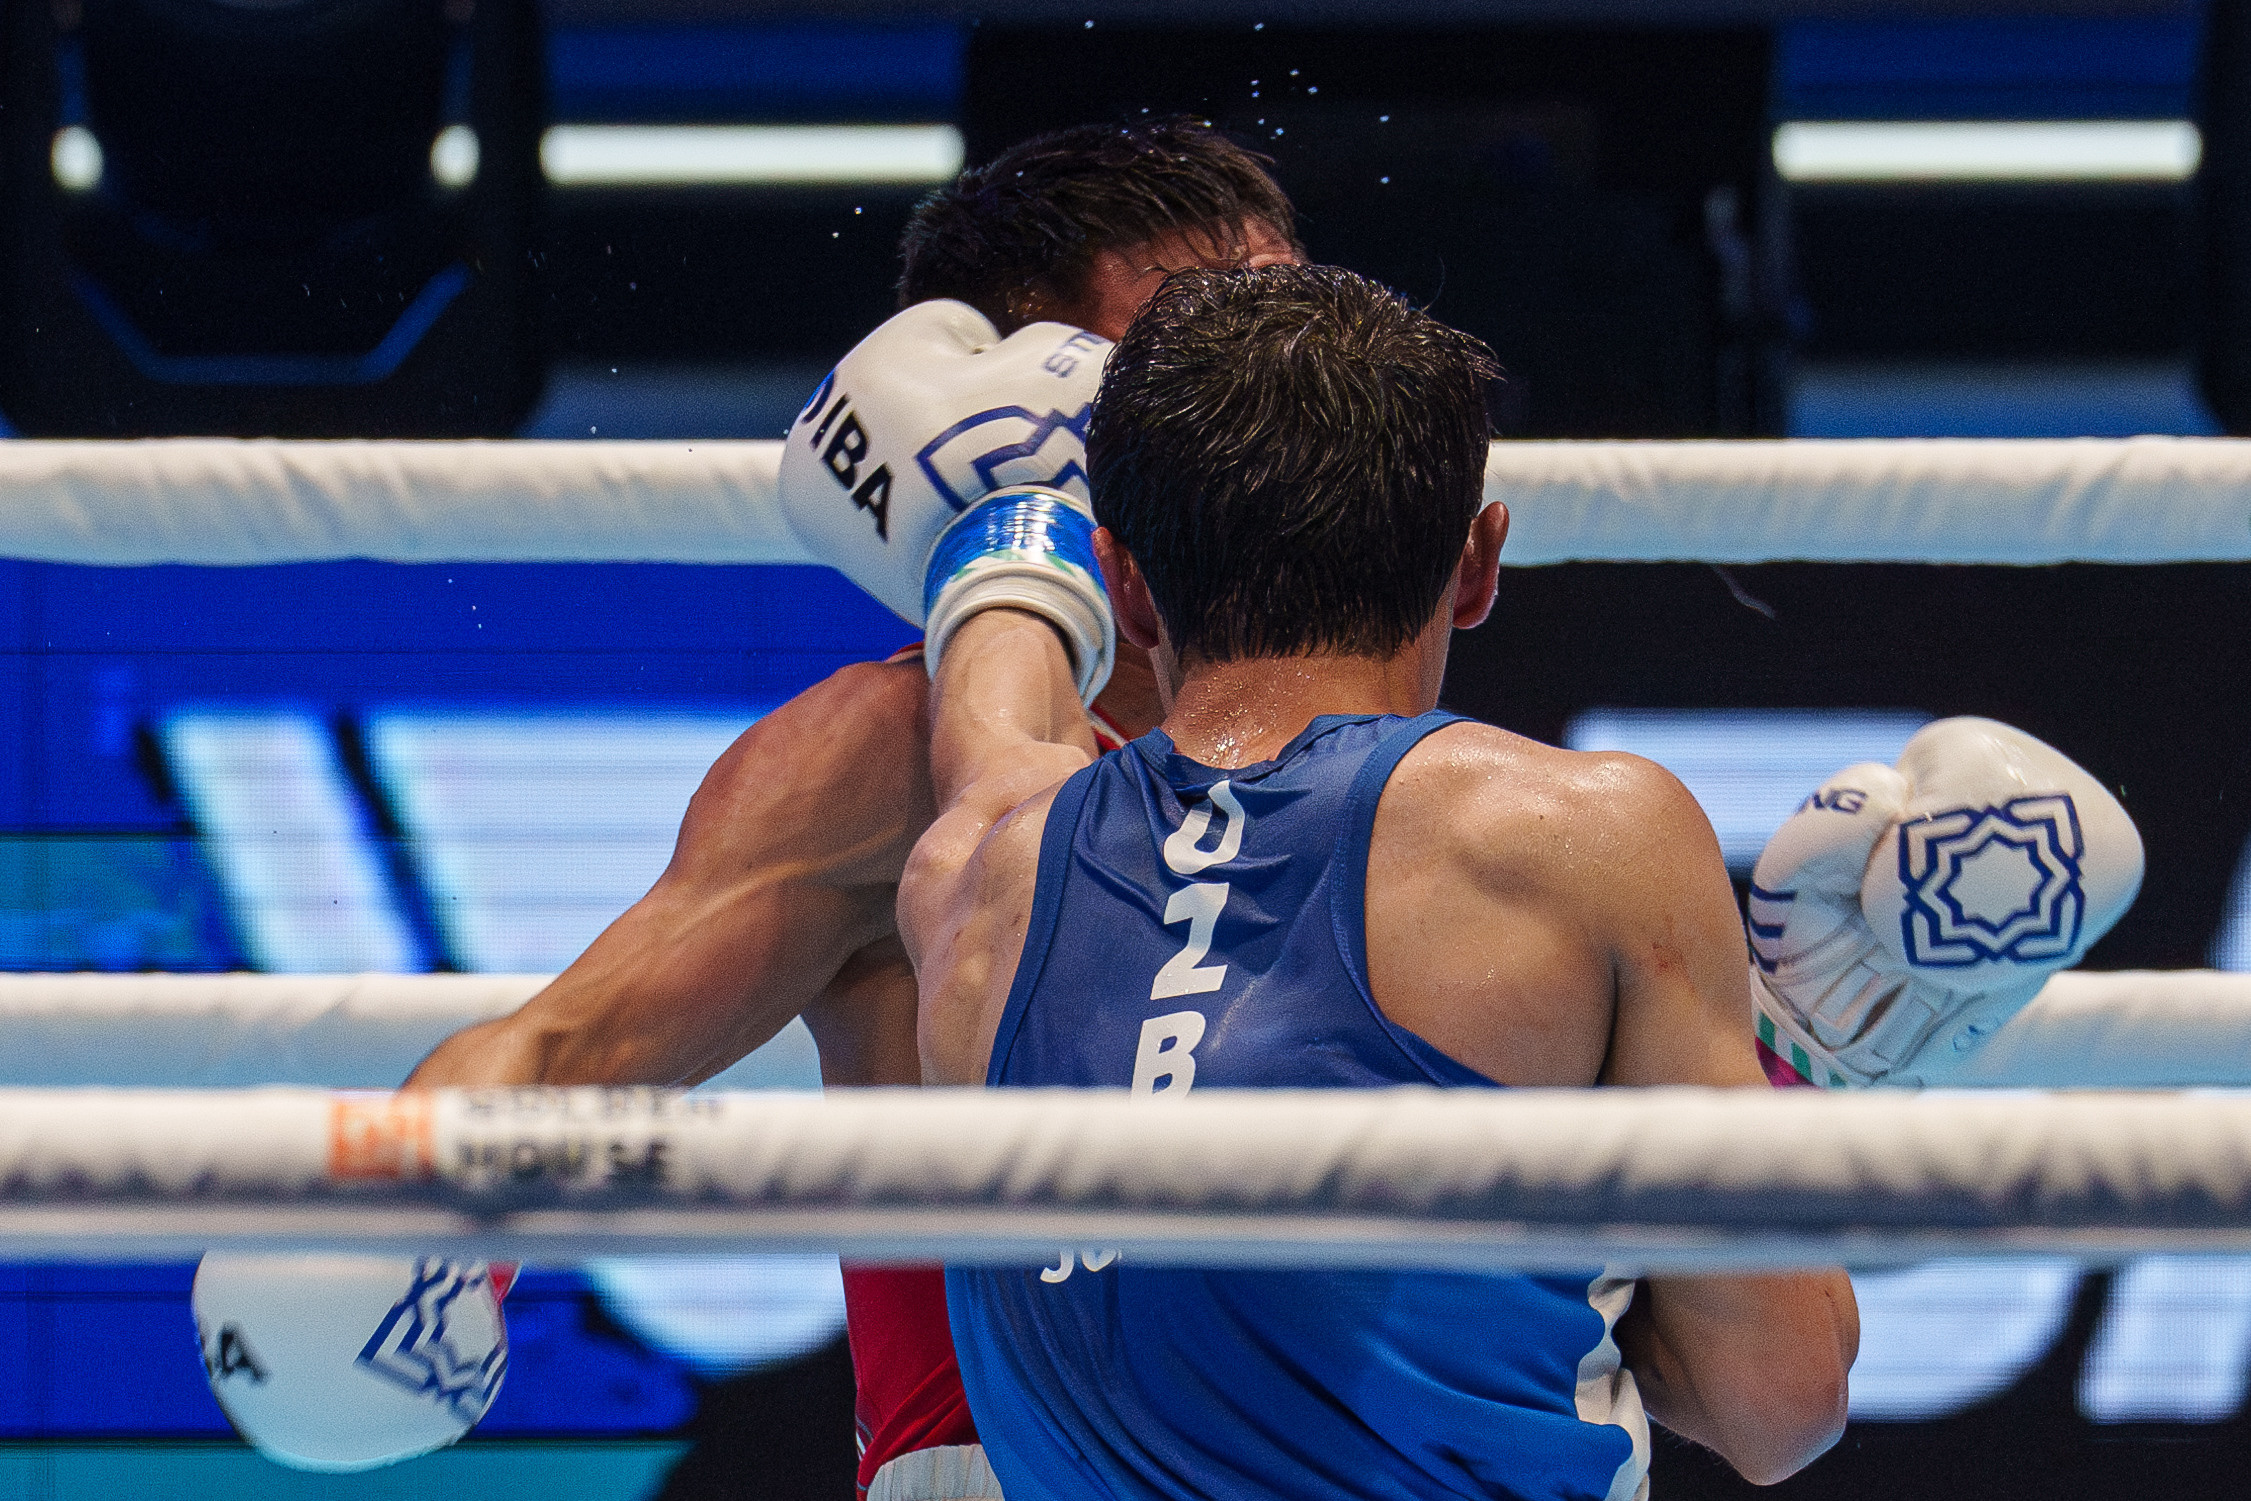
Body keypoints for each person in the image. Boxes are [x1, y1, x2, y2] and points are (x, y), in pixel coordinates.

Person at [397, 119, 1299, 1501]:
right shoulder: (888, 752)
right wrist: (390, 1242)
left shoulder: (1396, 726)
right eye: (1198, 333)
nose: (1269, 380)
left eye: (1288, 315)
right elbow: (561, 1047)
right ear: (1031, 393)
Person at [889, 263, 1860, 1498]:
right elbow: (1780, 1404)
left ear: (1123, 583)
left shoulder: (975, 877)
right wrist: (1800, 1071)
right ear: (1478, 562)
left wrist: (1002, 538)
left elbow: (991, 735)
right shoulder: (1581, 837)